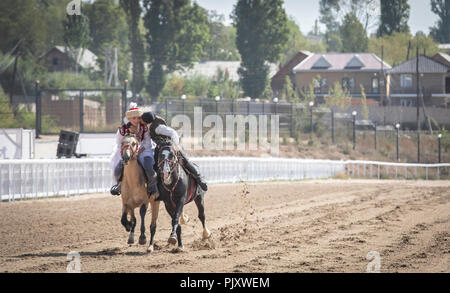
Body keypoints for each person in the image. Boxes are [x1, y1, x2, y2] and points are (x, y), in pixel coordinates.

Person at [141, 111, 208, 191]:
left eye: (141, 120)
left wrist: (174, 146)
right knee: (155, 165)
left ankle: (200, 179)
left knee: (185, 160)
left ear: (146, 121)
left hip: (170, 146)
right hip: (160, 148)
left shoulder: (158, 128)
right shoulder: (151, 125)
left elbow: (173, 133)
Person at [110, 103, 158, 196]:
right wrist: (128, 153)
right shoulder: (122, 130)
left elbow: (147, 143)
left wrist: (138, 152)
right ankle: (118, 185)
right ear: (129, 119)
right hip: (125, 152)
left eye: (137, 118)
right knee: (117, 170)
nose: (136, 120)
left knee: (148, 167)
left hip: (144, 151)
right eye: (133, 118)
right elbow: (119, 144)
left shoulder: (145, 128)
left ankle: (152, 185)